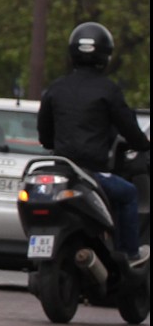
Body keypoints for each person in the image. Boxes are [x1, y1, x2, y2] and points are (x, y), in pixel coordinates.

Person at [38, 21, 150, 269]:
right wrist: (143, 144)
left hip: (62, 171)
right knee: (128, 193)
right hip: (93, 173)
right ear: (105, 55)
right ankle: (129, 253)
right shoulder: (108, 90)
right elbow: (129, 129)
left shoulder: (56, 88)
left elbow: (44, 134)